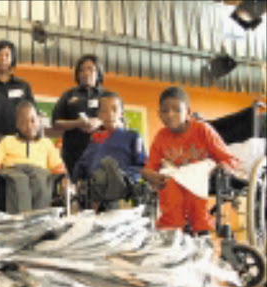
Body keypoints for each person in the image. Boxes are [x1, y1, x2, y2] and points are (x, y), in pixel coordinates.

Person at [142, 87, 239, 235]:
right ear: (159, 114)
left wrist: (225, 167)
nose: (170, 115)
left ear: (187, 112)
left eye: (176, 110)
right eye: (165, 111)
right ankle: (172, 226)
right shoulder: (161, 137)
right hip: (174, 180)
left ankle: (200, 224)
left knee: (191, 172)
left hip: (203, 175)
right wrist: (149, 175)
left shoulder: (203, 130)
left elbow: (229, 158)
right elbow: (150, 167)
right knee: (169, 177)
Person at [0, 100, 66, 214]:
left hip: (39, 171)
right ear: (17, 124)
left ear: (39, 121)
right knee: (19, 180)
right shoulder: (8, 141)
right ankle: (21, 221)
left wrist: (65, 179)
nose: (29, 126)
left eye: (32, 120)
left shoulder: (46, 143)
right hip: (14, 170)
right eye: (23, 122)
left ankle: (38, 220)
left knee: (41, 179)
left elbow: (58, 167)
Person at [73, 91, 147, 212]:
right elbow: (81, 166)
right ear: (99, 115)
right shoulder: (94, 139)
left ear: (121, 114)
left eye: (114, 109)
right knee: (102, 170)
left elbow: (141, 165)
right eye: (104, 111)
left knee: (109, 165)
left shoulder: (133, 136)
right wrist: (72, 178)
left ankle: (110, 202)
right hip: (96, 184)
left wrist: (125, 177)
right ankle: (105, 204)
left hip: (122, 182)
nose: (109, 114)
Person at [52, 54, 105, 181]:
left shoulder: (108, 95)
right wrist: (78, 123)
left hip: (101, 151)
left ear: (98, 72)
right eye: (81, 70)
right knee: (74, 191)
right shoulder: (68, 95)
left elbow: (120, 122)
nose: (85, 73)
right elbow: (55, 122)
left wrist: (99, 122)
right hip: (73, 153)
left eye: (90, 69)